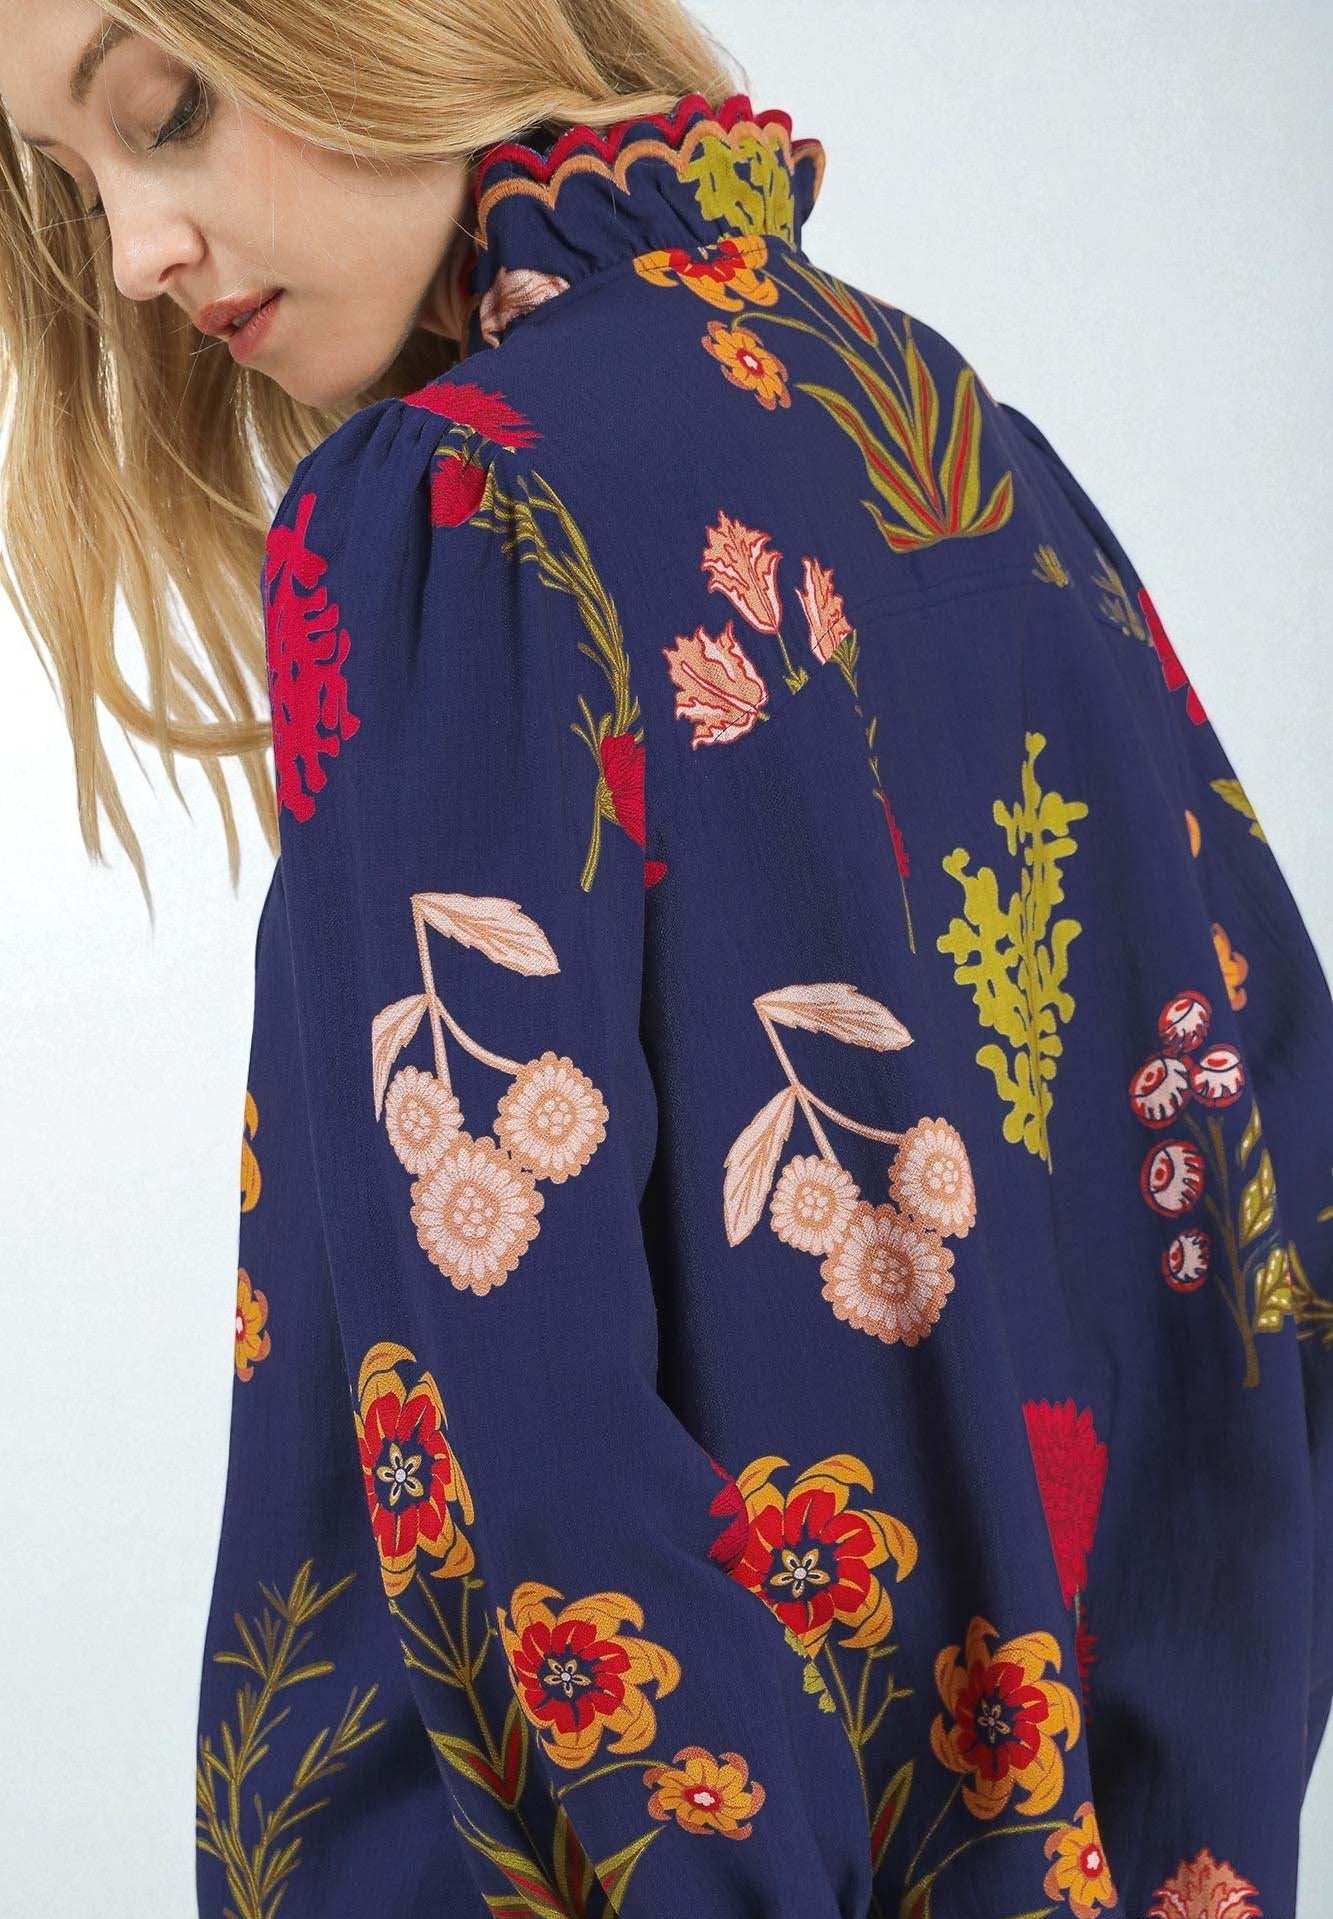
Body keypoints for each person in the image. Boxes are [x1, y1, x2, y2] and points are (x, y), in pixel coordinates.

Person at [1, 4, 1329, 1916]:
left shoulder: (446, 508)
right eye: (74, 182)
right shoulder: (948, 434)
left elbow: (510, 1423)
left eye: (167, 110)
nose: (135, 251)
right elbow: (1266, 1201)